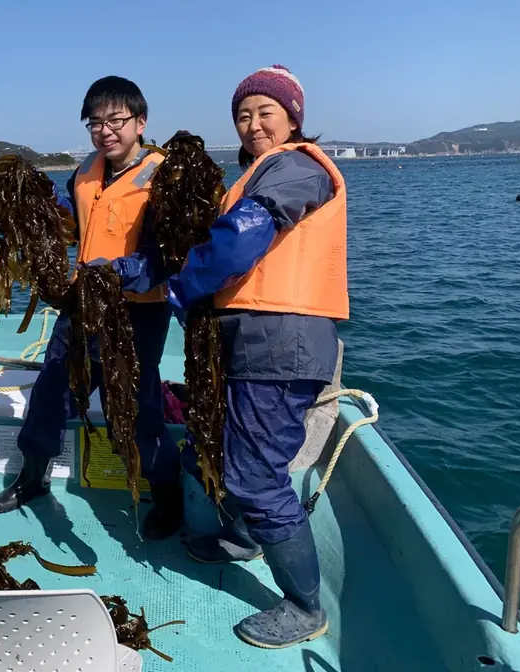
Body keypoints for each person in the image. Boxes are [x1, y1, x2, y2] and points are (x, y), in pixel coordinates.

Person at [167, 65, 348, 648]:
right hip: (251, 344)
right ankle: (243, 539)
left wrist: (183, 284)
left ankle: (304, 606)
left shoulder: (295, 167)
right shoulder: (254, 174)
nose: (252, 125)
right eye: (243, 116)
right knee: (219, 450)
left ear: (293, 118)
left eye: (265, 112)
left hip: (282, 346)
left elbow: (245, 235)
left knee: (255, 474)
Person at [0, 75, 183, 540]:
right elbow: (70, 225)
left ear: (140, 122)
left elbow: (171, 254)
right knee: (50, 389)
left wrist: (118, 273)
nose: (105, 131)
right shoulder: (86, 171)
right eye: (95, 123)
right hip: (80, 308)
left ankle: (168, 498)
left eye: (116, 120)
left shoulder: (163, 174)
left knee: (136, 407)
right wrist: (34, 197)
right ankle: (32, 480)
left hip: (137, 313)